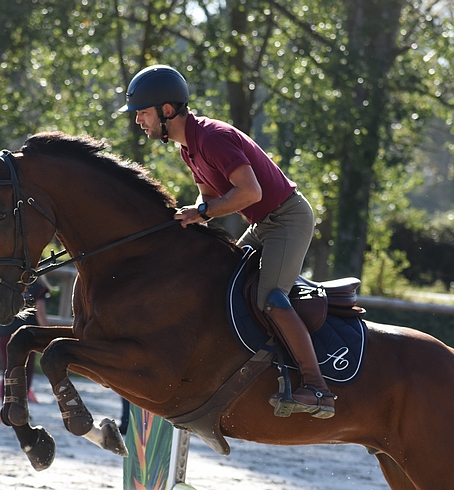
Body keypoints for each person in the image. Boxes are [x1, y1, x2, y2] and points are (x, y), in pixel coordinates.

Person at [119, 64, 336, 419]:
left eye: (142, 112)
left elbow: (250, 192)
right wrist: (184, 223)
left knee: (271, 298)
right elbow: (209, 198)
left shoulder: (212, 137)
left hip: (287, 220)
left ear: (167, 111)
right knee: (225, 280)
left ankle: (317, 387)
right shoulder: (187, 148)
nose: (139, 121)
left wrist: (201, 214)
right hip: (265, 222)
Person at [0, 278, 51, 403]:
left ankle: (7, 403)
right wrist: (47, 333)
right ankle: (20, 404)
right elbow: (40, 312)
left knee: (8, 368)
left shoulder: (9, 282)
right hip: (27, 334)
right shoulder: (38, 286)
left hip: (6, 330)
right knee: (25, 370)